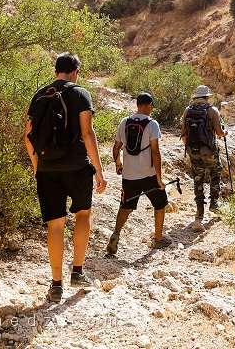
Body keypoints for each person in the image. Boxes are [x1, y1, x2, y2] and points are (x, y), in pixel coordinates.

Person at [25, 53, 107, 303]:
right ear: (76, 71)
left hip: (48, 168)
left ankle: (56, 283)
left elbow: (28, 133)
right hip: (77, 167)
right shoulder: (81, 94)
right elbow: (87, 132)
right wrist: (99, 170)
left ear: (56, 71)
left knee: (55, 224)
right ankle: (78, 272)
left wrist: (36, 165)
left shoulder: (40, 94)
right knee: (83, 214)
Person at [106, 92, 171, 255]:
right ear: (149, 105)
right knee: (160, 204)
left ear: (137, 105)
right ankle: (158, 238)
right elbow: (155, 152)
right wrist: (159, 177)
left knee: (125, 206)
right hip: (148, 175)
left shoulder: (124, 122)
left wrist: (118, 164)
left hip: (129, 176)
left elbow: (116, 147)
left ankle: (116, 234)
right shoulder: (152, 124)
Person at [181, 85, 226, 232]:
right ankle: (214, 203)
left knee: (198, 179)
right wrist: (225, 133)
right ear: (207, 97)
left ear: (196, 97)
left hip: (193, 152)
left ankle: (199, 213)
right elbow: (219, 133)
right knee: (215, 173)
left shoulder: (187, 111)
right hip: (209, 151)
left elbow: (183, 134)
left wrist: (190, 149)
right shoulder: (212, 111)